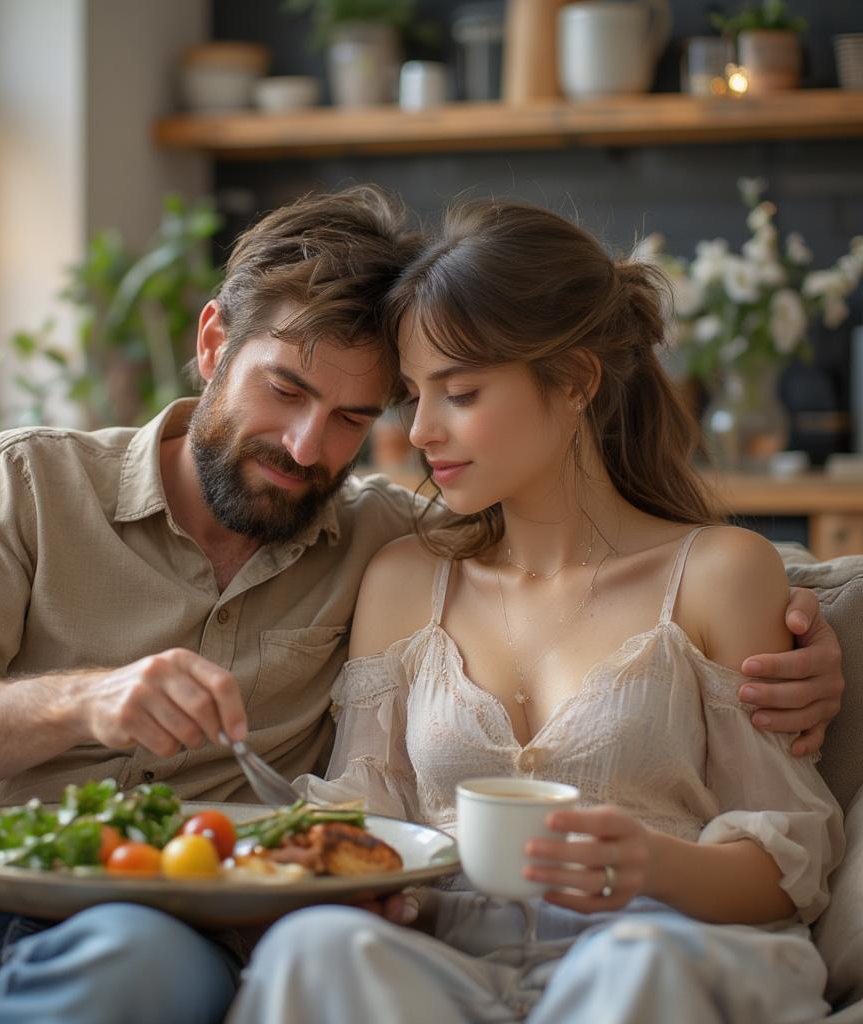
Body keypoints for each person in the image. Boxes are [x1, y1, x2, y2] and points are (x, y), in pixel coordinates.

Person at [0, 187, 842, 1024]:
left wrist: (811, 621)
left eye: (361, 415)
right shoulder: (32, 483)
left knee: (150, 958)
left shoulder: (385, 536)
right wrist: (83, 702)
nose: (313, 446)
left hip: (148, 932)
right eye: (285, 390)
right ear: (212, 341)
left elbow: (647, 562)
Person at [227, 199, 847, 1024]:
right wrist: (376, 893)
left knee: (636, 961)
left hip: (660, 945)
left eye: (462, 392)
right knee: (314, 949)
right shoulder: (405, 580)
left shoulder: (718, 574)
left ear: (576, 382)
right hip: (455, 965)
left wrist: (653, 863)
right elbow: (366, 824)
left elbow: (789, 863)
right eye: (413, 396)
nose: (422, 431)